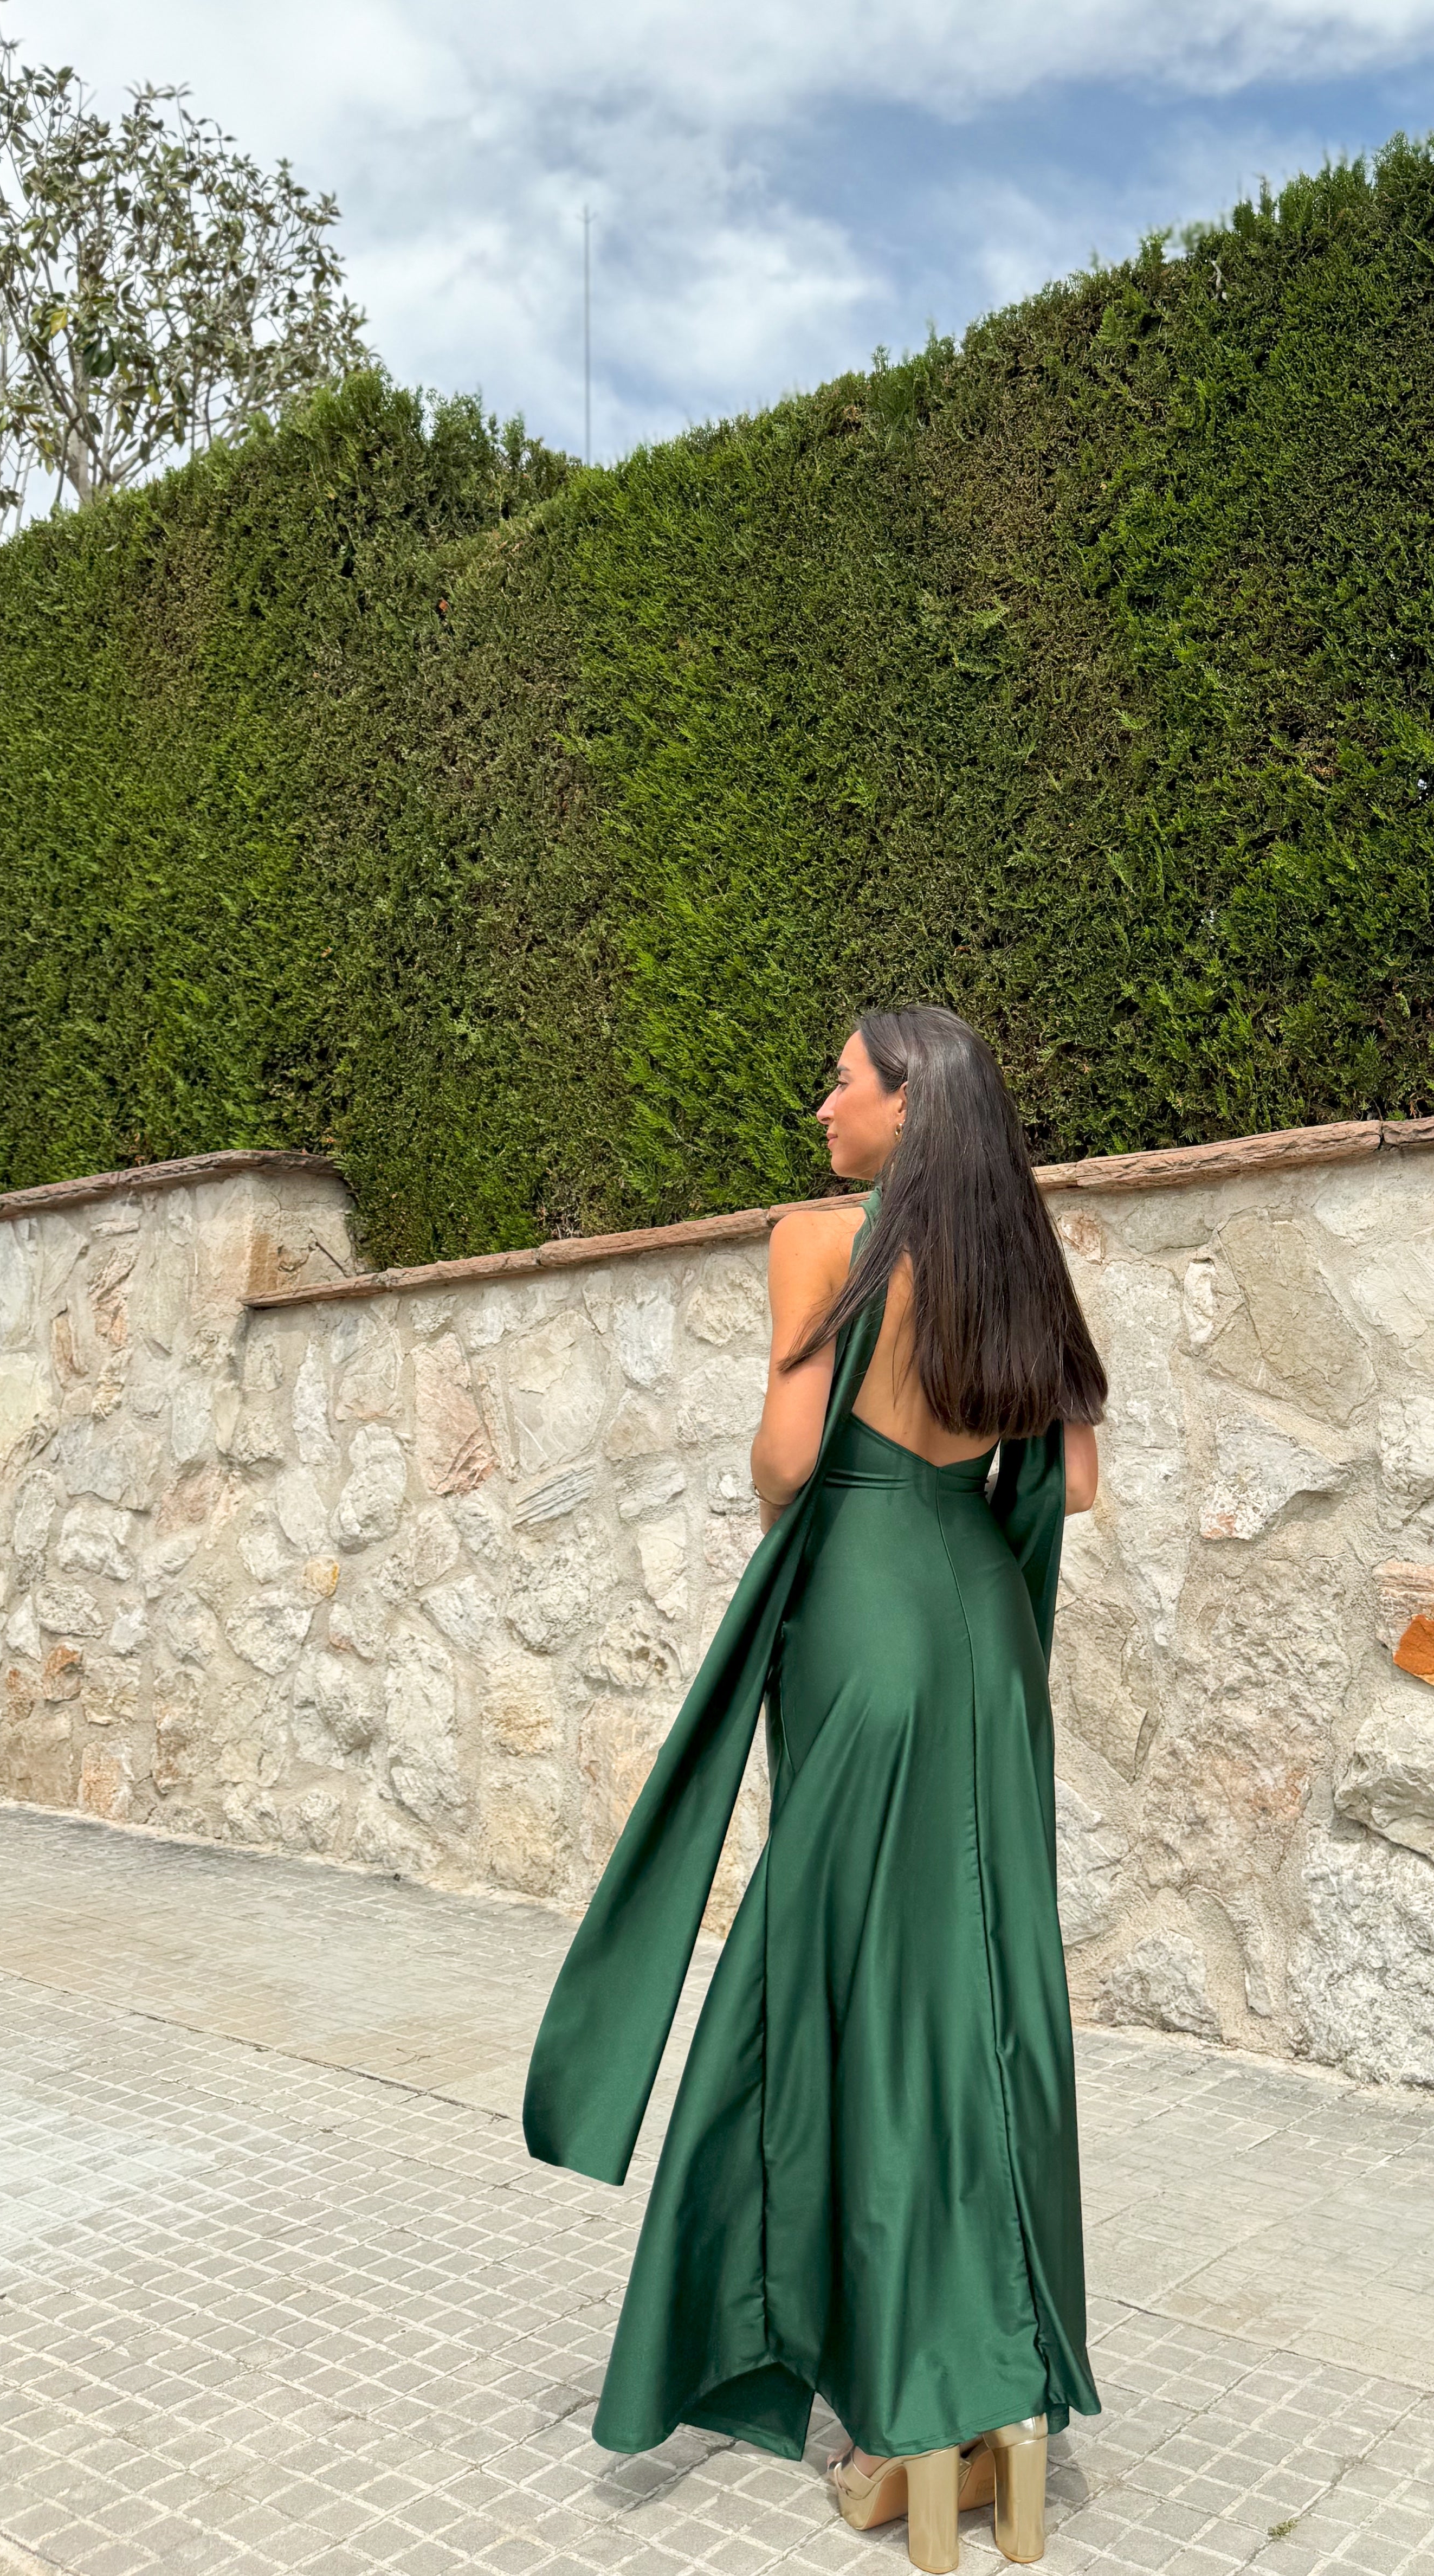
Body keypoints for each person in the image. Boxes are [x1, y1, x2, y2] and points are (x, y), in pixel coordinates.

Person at [523, 1005, 1107, 2571]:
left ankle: (912, 2410)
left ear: (908, 1102)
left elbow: (784, 1464)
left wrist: (831, 1430)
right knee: (982, 1986)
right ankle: (1006, 2403)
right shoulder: (1019, 1253)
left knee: (853, 1984)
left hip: (862, 1616)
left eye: (841, 1082)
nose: (821, 1106)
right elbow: (1070, 1480)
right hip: (983, 1633)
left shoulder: (817, 1241)